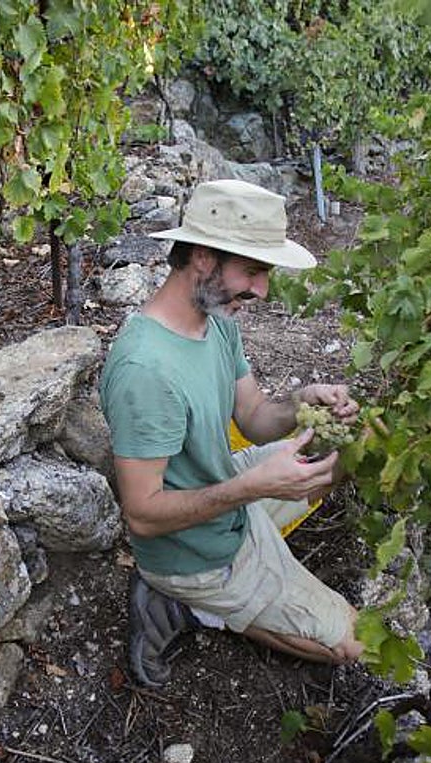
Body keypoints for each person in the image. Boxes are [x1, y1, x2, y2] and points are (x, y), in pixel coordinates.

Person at [99, 179, 364, 687]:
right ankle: (185, 603)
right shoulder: (146, 371)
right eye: (253, 270)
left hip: (224, 496)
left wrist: (300, 403)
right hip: (190, 554)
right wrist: (258, 486)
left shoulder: (216, 320)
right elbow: (144, 517)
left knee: (335, 454)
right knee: (354, 645)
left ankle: (226, 590)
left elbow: (254, 417)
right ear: (202, 256)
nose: (262, 290)